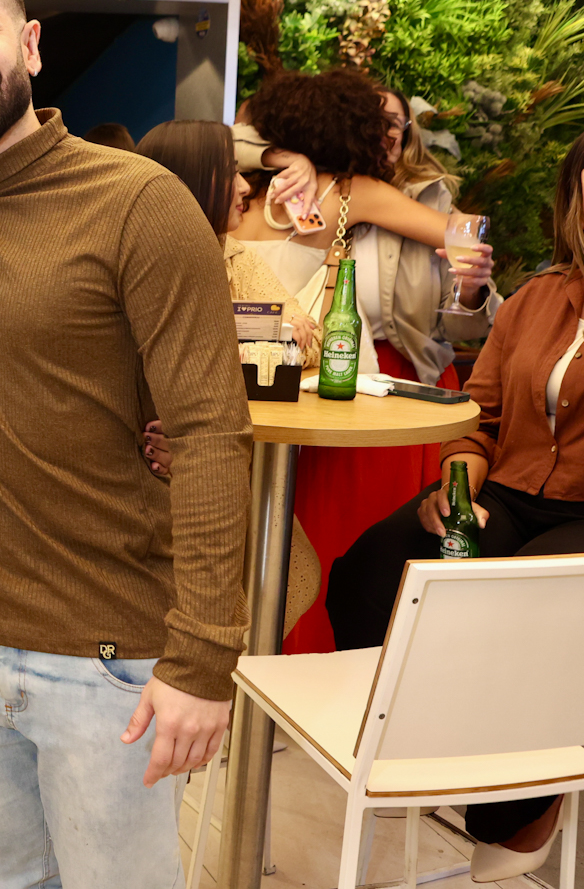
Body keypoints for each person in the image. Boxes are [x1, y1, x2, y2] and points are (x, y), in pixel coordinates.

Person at [0, 0, 251, 888]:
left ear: (31, 44)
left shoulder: (138, 202)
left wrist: (204, 656)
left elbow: (210, 433)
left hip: (108, 657)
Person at [327, 132, 584, 883]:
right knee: (379, 567)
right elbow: (482, 416)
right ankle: (419, 749)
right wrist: (456, 484)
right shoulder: (539, 298)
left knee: (525, 611)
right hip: (510, 488)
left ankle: (520, 803)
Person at [233, 69, 496, 652]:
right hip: (307, 384)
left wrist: (279, 157)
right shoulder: (349, 191)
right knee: (312, 529)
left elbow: (221, 135)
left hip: (241, 382)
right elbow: (459, 233)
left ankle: (245, 662)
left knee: (252, 533)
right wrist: (473, 261)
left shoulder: (240, 193)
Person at [136, 119, 318, 364]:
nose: (244, 186)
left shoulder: (236, 256)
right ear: (190, 180)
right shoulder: (135, 261)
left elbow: (311, 339)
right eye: (230, 173)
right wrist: (261, 333)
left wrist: (253, 345)